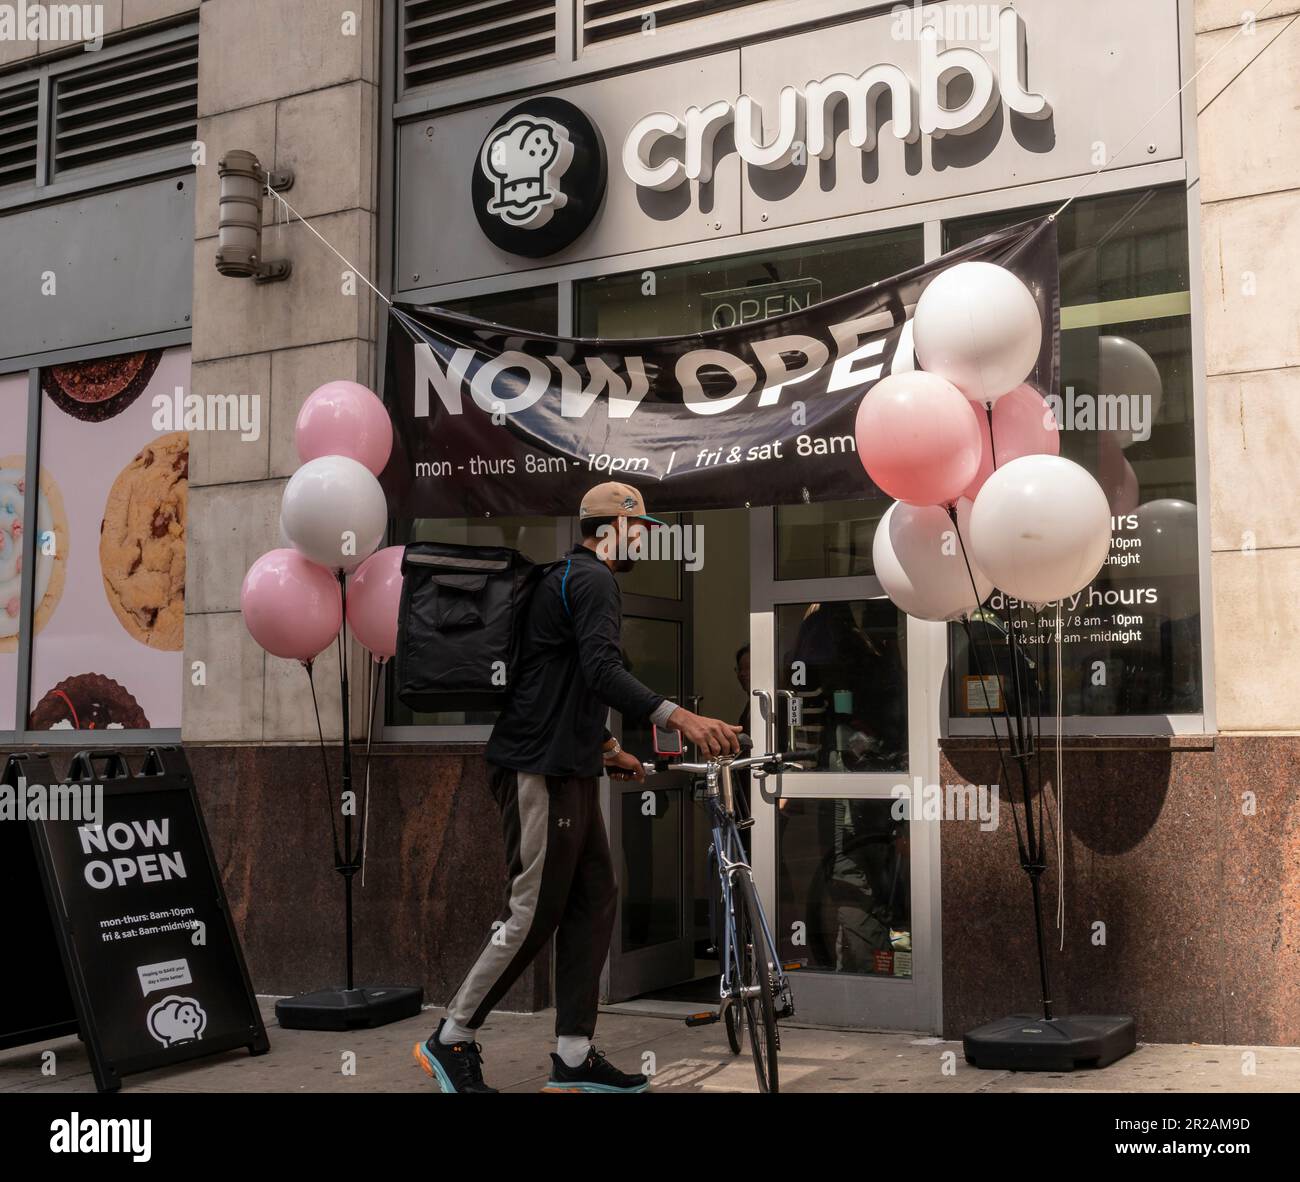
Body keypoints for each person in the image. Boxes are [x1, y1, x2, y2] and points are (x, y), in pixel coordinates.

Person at [413, 481, 742, 1094]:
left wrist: (610, 749)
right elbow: (602, 671)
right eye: (640, 526)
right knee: (532, 910)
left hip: (568, 765)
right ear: (614, 528)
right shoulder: (592, 579)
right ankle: (451, 1037)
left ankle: (572, 1055)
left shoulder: (569, 578)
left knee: (593, 901)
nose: (645, 537)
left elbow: (564, 681)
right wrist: (681, 718)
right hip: (538, 769)